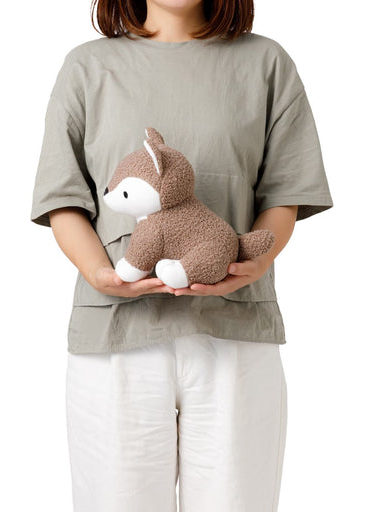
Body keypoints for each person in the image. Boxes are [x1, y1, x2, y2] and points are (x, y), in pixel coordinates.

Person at [30, 0, 334, 510]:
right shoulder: (87, 67)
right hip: (116, 335)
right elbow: (63, 198)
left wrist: (256, 264)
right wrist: (101, 274)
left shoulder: (266, 63)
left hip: (234, 331)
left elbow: (286, 191)